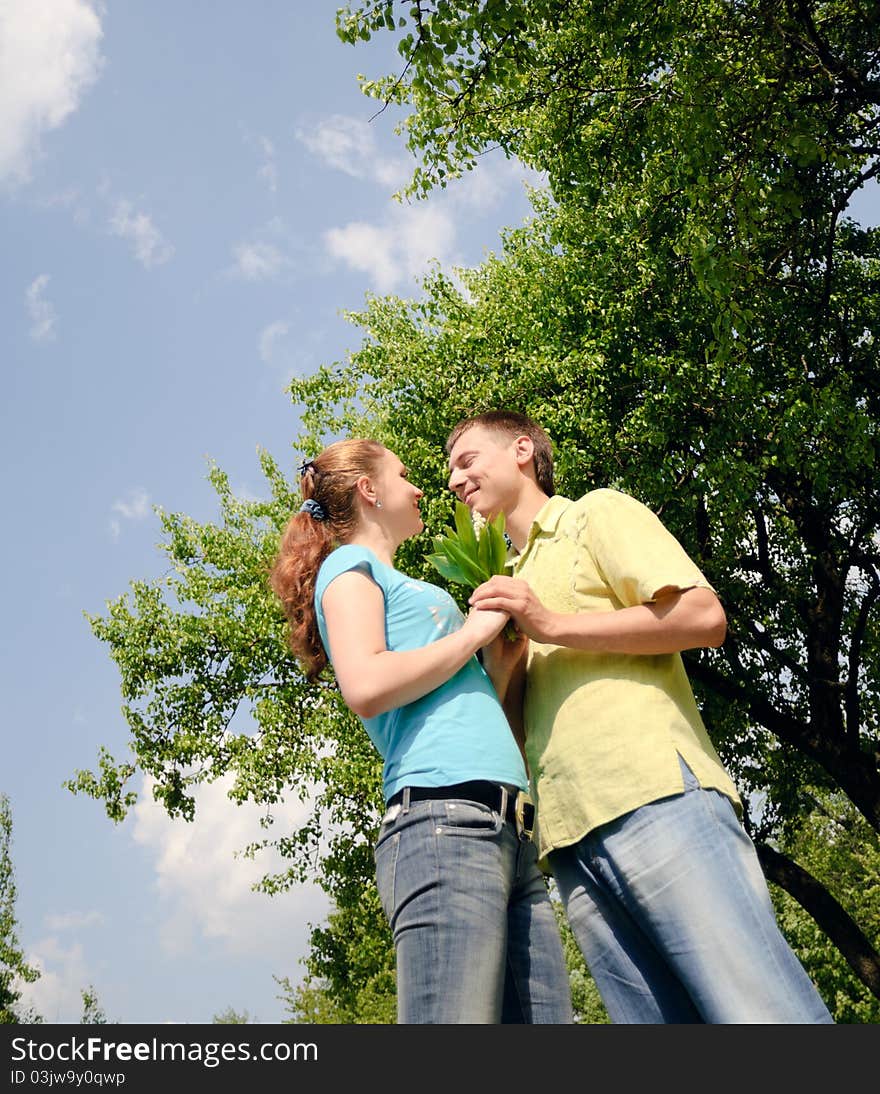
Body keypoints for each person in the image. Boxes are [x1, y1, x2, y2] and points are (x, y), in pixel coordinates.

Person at [446, 410, 833, 1024]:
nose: (455, 481)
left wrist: (552, 624)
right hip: (568, 842)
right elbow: (518, 733)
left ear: (522, 450)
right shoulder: (507, 584)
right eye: (449, 472)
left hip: (656, 798)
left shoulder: (592, 515)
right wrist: (505, 658)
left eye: (467, 461)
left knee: (761, 1013)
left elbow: (704, 618)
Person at [268, 438, 573, 1024]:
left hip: (510, 825)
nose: (418, 488)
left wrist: (502, 661)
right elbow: (365, 683)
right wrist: (474, 634)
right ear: (369, 490)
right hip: (444, 821)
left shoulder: (399, 581)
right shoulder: (348, 569)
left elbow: (470, 693)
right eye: (404, 475)